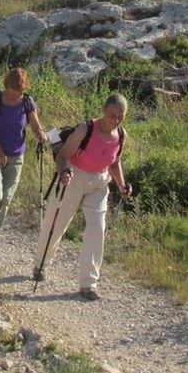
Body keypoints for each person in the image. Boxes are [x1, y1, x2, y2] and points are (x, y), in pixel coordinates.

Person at [32, 92, 130, 300]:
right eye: (113, 115)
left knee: (97, 230)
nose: (116, 120)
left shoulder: (121, 135)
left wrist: (122, 185)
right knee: (57, 224)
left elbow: (114, 162)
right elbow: (62, 155)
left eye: (121, 116)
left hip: (99, 183)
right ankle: (40, 265)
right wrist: (63, 173)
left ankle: (88, 284)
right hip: (74, 177)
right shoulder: (86, 129)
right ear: (104, 110)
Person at [0, 67, 47, 251]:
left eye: (21, 90)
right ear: (8, 86)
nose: (18, 94)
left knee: (6, 198)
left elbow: (35, 125)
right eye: (16, 90)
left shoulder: (28, 102)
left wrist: (41, 135)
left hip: (16, 156)